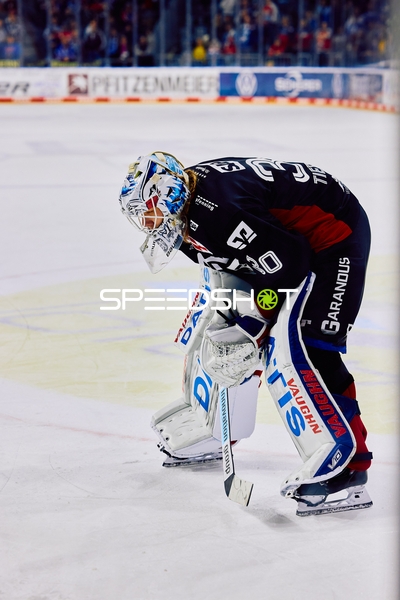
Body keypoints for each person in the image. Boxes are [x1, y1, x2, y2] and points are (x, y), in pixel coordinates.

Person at [118, 152, 373, 517]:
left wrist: (254, 326)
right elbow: (235, 263)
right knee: (222, 327)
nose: (146, 223)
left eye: (148, 211)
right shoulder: (188, 206)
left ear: (169, 194)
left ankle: (348, 466)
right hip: (285, 243)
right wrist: (236, 321)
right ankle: (214, 427)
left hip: (332, 238)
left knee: (308, 346)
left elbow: (290, 265)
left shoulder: (219, 212)